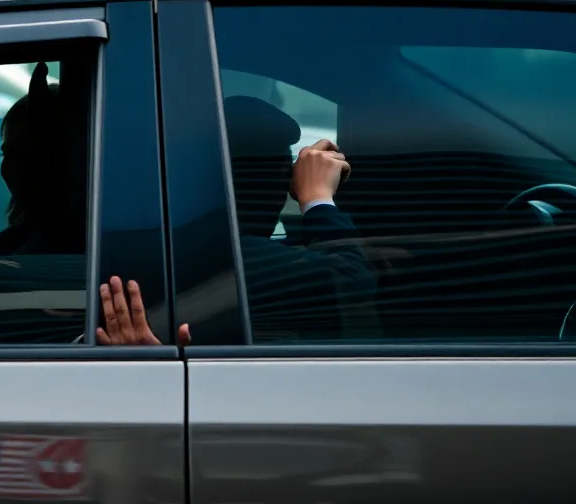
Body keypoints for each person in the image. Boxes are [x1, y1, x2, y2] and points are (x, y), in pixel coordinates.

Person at [99, 97, 374, 345]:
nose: (286, 186)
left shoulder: (181, 242)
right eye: (282, 174)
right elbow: (350, 279)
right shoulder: (241, 257)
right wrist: (317, 197)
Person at [0, 62, 86, 254]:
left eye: (27, 152)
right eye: (8, 153)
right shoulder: (21, 239)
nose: (11, 167)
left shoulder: (51, 249)